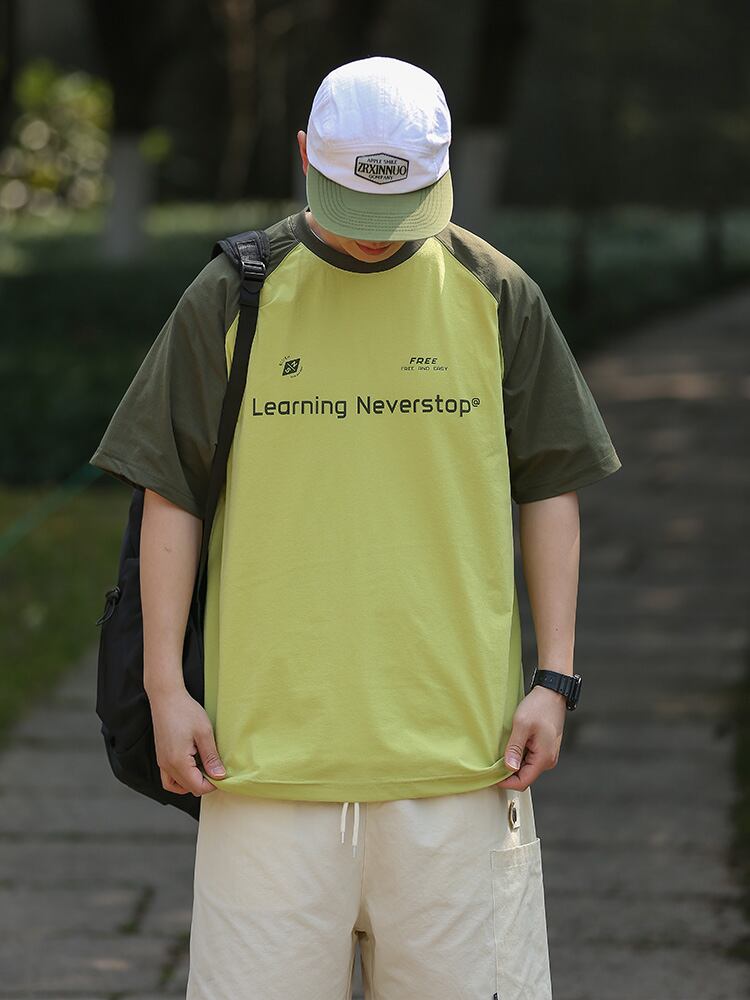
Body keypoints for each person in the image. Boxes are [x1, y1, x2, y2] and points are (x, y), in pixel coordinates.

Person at [90, 55, 621, 1000]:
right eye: (354, 206)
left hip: (464, 764)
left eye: (400, 209)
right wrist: (166, 688)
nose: (377, 240)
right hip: (260, 767)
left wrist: (556, 677)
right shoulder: (234, 293)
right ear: (305, 155)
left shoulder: (496, 293)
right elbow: (171, 493)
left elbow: (551, 485)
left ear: (443, 169)